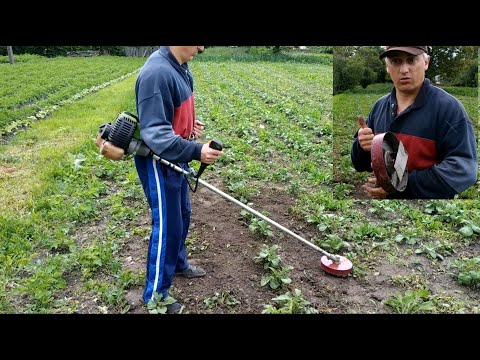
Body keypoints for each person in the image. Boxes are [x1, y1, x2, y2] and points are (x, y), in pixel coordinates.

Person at [134, 46, 223, 313]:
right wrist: (197, 151)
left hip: (175, 157)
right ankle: (155, 297)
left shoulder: (180, 68)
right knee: (168, 226)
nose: (201, 47)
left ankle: (178, 263)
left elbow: (171, 116)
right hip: (159, 162)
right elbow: (156, 134)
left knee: (182, 215)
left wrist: (188, 127)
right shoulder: (157, 73)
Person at [351, 46, 477, 199]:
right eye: (396, 61)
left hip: (429, 214)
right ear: (387, 67)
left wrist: (402, 186)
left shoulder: (449, 109)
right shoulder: (379, 107)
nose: (404, 69)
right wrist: (362, 146)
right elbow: (360, 164)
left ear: (426, 62)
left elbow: (463, 170)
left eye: (411, 60)